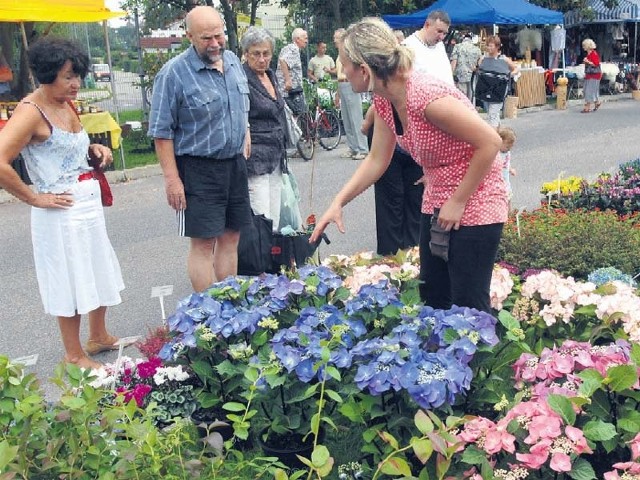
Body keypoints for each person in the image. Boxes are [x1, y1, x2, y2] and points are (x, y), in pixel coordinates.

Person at [310, 18, 507, 313]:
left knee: (469, 310)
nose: (341, 73)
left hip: (476, 200)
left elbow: (490, 142)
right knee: (433, 301)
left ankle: (485, 360)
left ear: (364, 70)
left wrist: (458, 200)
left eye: (344, 65)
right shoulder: (385, 100)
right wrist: (338, 202)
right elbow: (377, 159)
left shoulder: (426, 97)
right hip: (437, 201)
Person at [0, 37, 126, 370]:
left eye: (78, 75)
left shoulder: (66, 102)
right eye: (68, 76)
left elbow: (67, 150)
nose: (76, 84)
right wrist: (33, 197)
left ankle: (98, 335)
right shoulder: (31, 111)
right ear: (47, 73)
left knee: (97, 268)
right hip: (59, 211)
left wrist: (95, 152)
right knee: (68, 279)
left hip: (87, 202)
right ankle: (73, 354)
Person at [148, 6, 252, 292]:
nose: (216, 43)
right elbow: (161, 132)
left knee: (231, 236)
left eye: (219, 35)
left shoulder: (232, 62)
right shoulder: (174, 74)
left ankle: (229, 304)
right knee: (204, 242)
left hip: (234, 165)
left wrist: (245, 132)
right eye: (207, 38)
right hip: (198, 169)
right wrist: (172, 179)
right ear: (189, 36)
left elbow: (239, 107)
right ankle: (207, 315)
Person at [361, 28, 423, 256]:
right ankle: (390, 255)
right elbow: (375, 111)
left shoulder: (417, 87)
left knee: (415, 197)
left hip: (413, 147)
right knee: (391, 199)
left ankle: (412, 253)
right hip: (391, 144)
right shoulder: (381, 89)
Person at [241, 27, 286, 231]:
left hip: (276, 156)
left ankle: (273, 260)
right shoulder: (241, 78)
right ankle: (260, 261)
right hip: (256, 157)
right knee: (261, 217)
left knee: (275, 218)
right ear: (246, 54)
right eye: (256, 53)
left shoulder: (270, 75)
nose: (261, 59)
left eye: (266, 53)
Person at [334, 28, 368, 160]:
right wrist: (337, 93)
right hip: (342, 85)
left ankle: (363, 148)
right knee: (347, 119)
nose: (334, 40)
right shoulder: (339, 54)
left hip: (349, 83)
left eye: (336, 38)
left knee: (355, 118)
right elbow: (338, 74)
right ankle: (353, 147)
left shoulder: (348, 53)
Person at [402, 10, 454, 85]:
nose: (442, 37)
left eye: (445, 33)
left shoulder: (440, 45)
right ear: (427, 25)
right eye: (439, 31)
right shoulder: (408, 47)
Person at [478, 35, 519, 127]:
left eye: (491, 45)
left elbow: (515, 69)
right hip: (486, 89)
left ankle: (494, 136)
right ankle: (500, 134)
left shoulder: (503, 59)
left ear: (497, 46)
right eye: (488, 45)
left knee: (492, 113)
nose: (489, 48)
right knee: (492, 113)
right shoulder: (483, 58)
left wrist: (509, 75)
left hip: (499, 89)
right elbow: (479, 70)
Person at [276, 27, 308, 115]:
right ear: (297, 39)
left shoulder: (287, 48)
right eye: (305, 38)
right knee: (297, 116)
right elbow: (283, 61)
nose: (306, 41)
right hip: (291, 92)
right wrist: (288, 80)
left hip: (284, 91)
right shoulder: (294, 49)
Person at [450, 32, 482, 101]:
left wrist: (450, 75)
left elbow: (454, 62)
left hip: (460, 75)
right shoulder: (477, 49)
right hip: (472, 76)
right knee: (471, 95)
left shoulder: (457, 47)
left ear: (463, 39)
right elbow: (480, 65)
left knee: (462, 96)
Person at [497, 126, 517, 205]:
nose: (509, 149)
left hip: (506, 180)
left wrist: (510, 169)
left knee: (509, 198)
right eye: (507, 147)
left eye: (510, 147)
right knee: (501, 200)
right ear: (499, 141)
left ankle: (508, 216)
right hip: (498, 180)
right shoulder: (496, 153)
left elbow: (507, 162)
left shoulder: (507, 152)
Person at [581, 38, 602, 113]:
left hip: (594, 75)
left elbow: (596, 64)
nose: (583, 47)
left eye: (584, 45)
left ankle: (587, 107)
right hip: (590, 74)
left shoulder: (593, 54)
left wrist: (587, 61)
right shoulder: (589, 54)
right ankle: (596, 102)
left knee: (588, 90)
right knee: (589, 90)